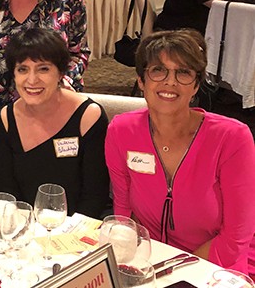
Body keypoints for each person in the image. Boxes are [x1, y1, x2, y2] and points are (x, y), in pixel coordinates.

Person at [105, 30, 255, 276]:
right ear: (141, 80)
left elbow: (237, 235)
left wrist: (176, 271)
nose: (170, 81)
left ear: (196, 85)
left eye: (183, 72)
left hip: (215, 265)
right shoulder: (121, 131)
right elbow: (123, 209)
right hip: (149, 260)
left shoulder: (232, 138)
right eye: (158, 70)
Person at [0, 28, 109, 218]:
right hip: (25, 228)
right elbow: (7, 189)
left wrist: (68, 238)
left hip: (78, 228)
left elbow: (95, 196)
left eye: (43, 69)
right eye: (23, 69)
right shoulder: (6, 118)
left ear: (61, 72)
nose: (32, 80)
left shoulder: (87, 117)